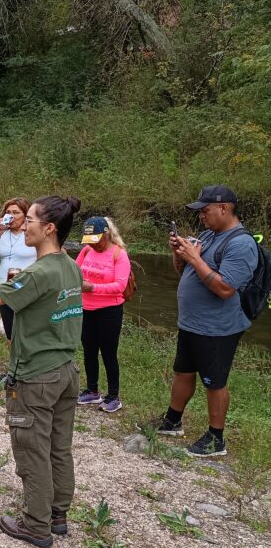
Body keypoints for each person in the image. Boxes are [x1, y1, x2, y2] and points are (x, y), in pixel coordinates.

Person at [0, 195, 84, 548]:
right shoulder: (69, 265)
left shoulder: (38, 272)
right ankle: (57, 514)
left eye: (29, 219)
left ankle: (36, 525)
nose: (23, 224)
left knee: (33, 451)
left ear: (49, 228)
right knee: (58, 447)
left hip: (36, 375)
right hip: (66, 371)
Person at [145, 185, 258, 457]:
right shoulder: (208, 235)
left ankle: (216, 439)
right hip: (191, 323)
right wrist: (179, 254)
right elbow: (183, 272)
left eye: (205, 210)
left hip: (217, 328)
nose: (201, 216)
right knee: (183, 371)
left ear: (224, 208)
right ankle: (173, 421)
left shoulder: (241, 244)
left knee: (214, 382)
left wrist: (195, 258)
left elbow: (225, 289)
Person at [74, 216, 131, 413]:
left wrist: (92, 287)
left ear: (106, 234)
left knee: (108, 353)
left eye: (96, 240)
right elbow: (75, 271)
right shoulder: (86, 250)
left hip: (109, 311)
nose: (93, 245)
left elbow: (120, 286)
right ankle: (92, 390)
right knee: (89, 350)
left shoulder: (118, 254)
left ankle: (113, 396)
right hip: (86, 308)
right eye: (89, 240)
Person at [0, 198, 35, 342]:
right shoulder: (2, 232)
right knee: (10, 332)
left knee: (27, 332)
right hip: (5, 287)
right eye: (8, 212)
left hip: (27, 287)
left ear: (26, 215)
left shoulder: (32, 233)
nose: (11, 216)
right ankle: (13, 356)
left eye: (16, 212)